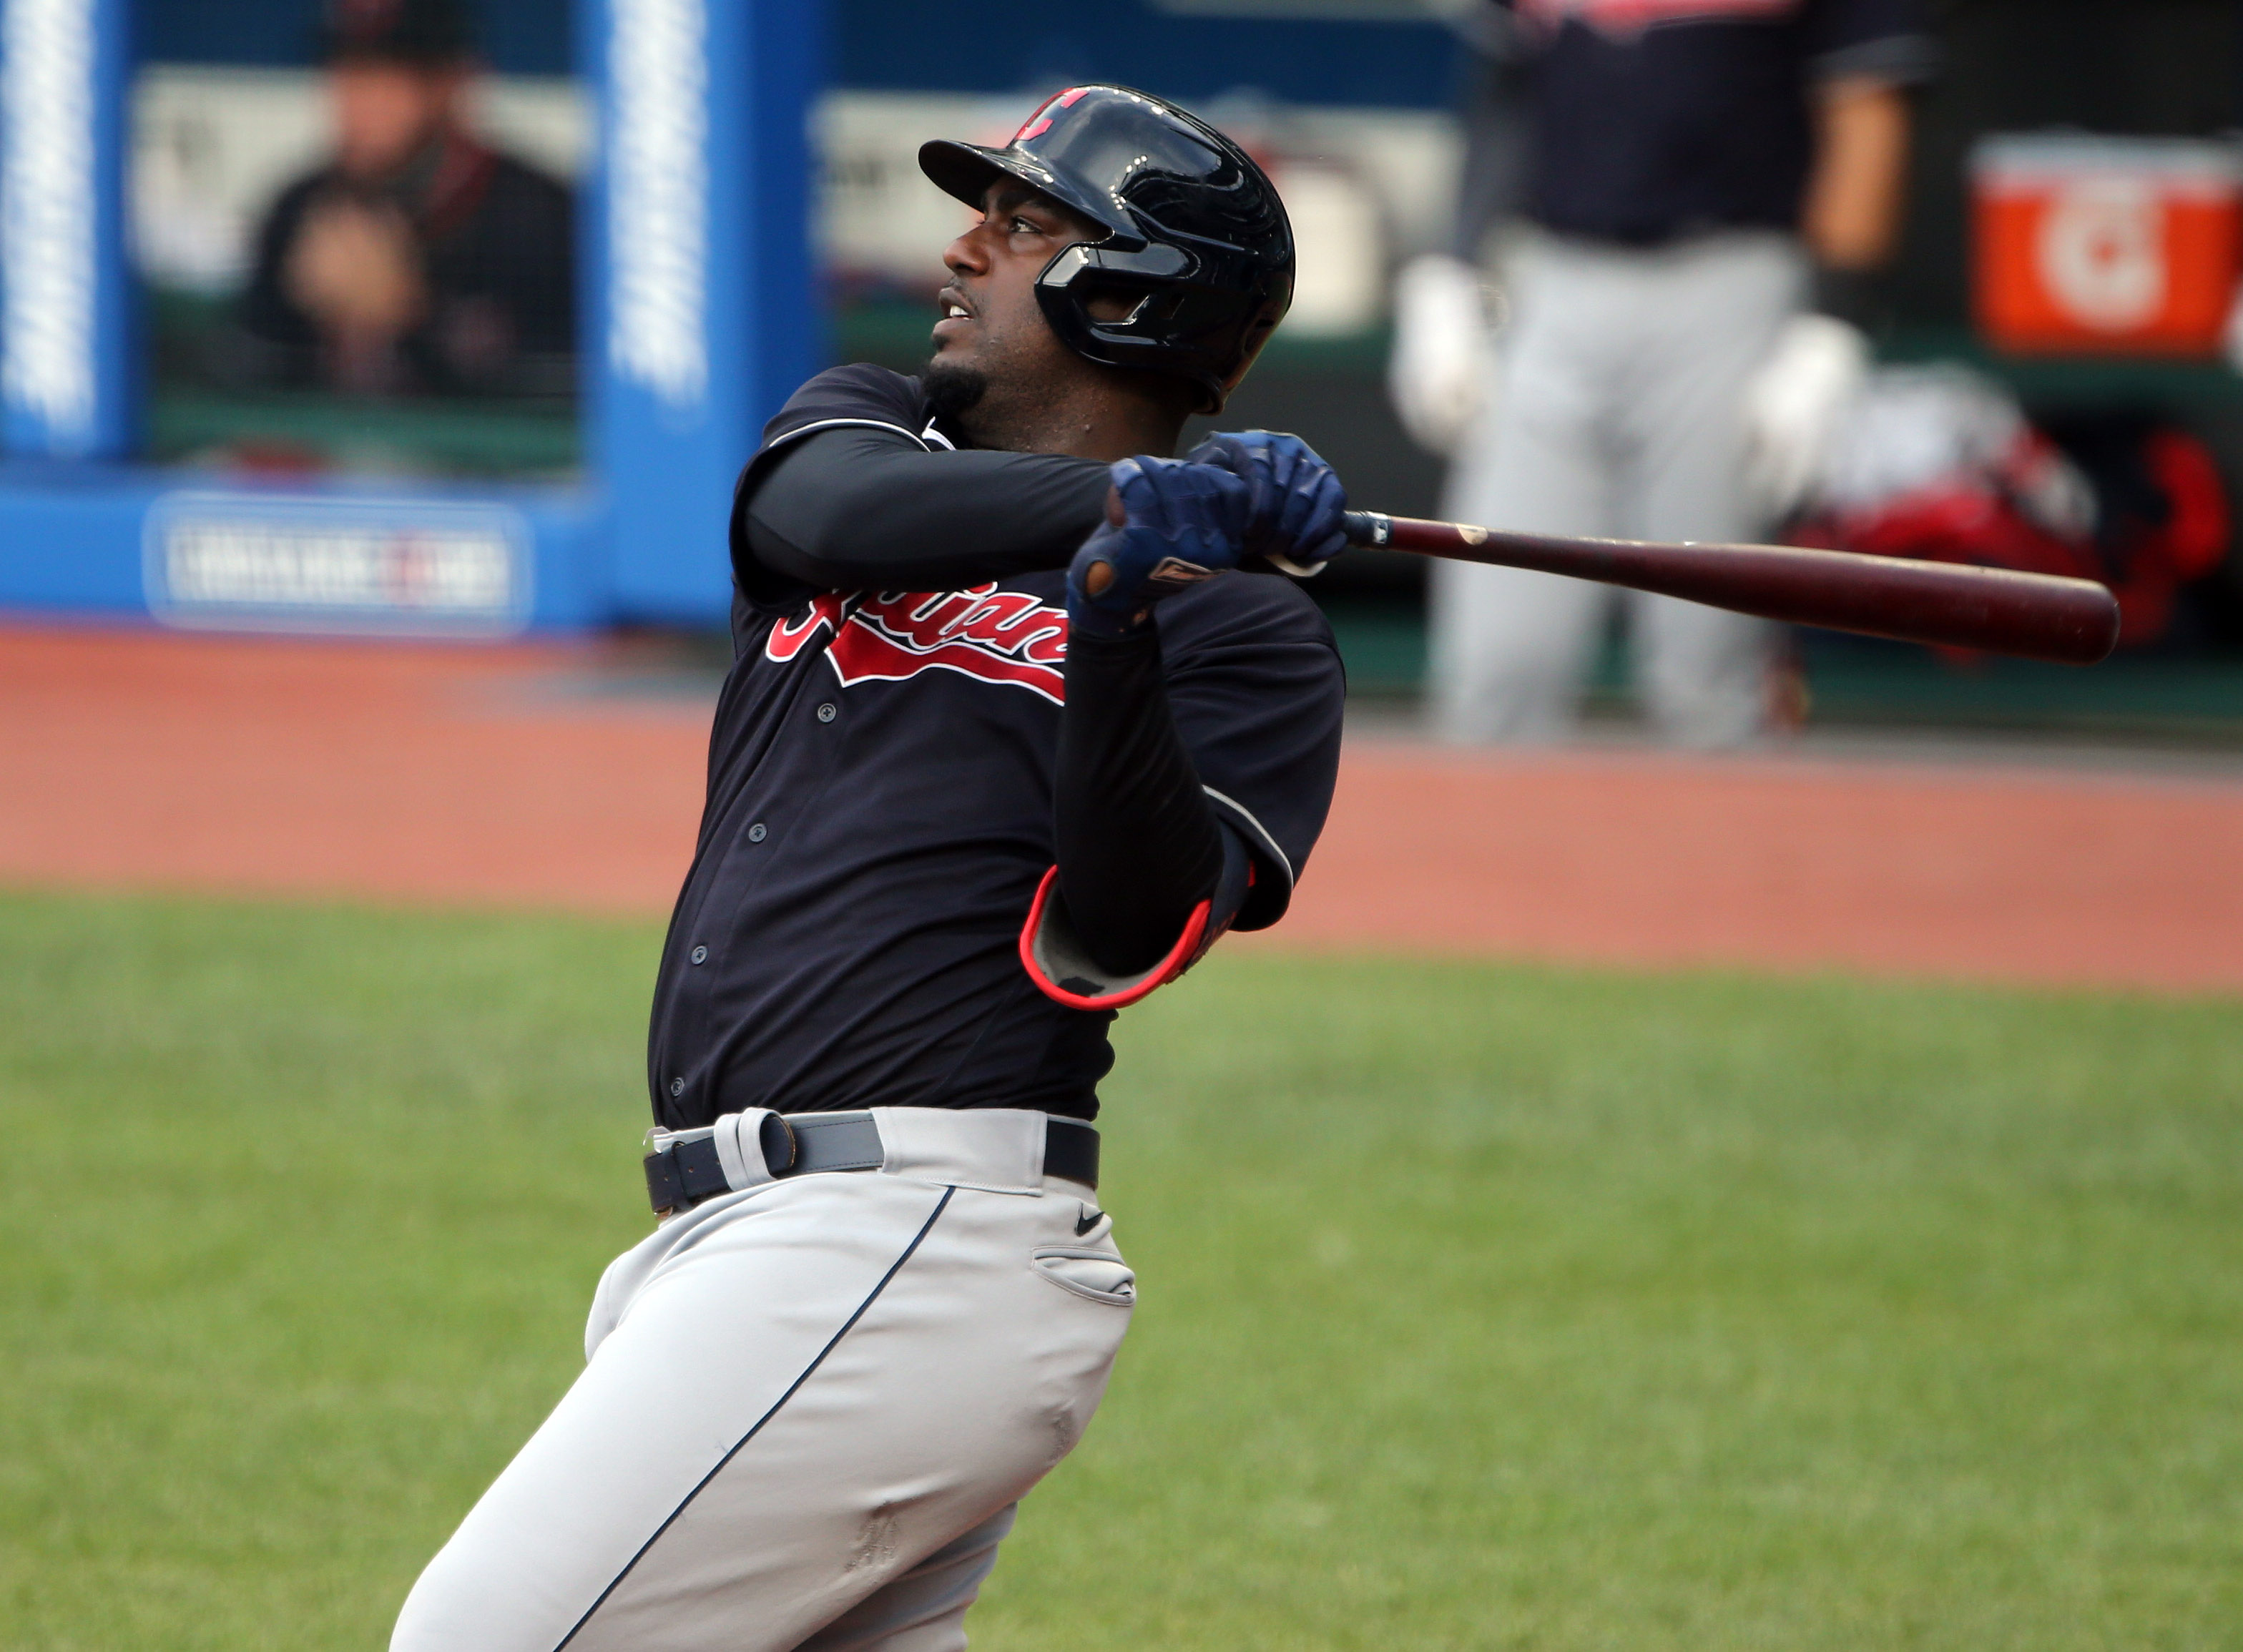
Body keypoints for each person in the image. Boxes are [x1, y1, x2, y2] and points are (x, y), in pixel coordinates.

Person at [388, 85, 1348, 1652]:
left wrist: (1118, 614)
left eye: (1025, 224)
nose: (961, 251)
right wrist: (1119, 509)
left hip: (913, 1239)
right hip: (725, 1251)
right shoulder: (863, 432)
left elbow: (1122, 931)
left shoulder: (1244, 636)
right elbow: (815, 511)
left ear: (1135, 291)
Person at [1393, 0, 1934, 746]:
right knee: (1498, 661)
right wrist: (1449, 272)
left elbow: (1867, 117)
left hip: (1732, 280)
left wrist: (1830, 328)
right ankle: (1483, 863)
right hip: (1553, 278)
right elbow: (1505, 84)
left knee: (1708, 677)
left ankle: (1730, 863)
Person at [236, 0, 574, 398]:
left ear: (453, 83)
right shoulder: (299, 207)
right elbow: (243, 378)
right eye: (344, 71)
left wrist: (411, 314)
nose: (355, 102)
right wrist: (291, 313)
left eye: (383, 76)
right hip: (336, 458)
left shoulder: (536, 216)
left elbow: (560, 394)